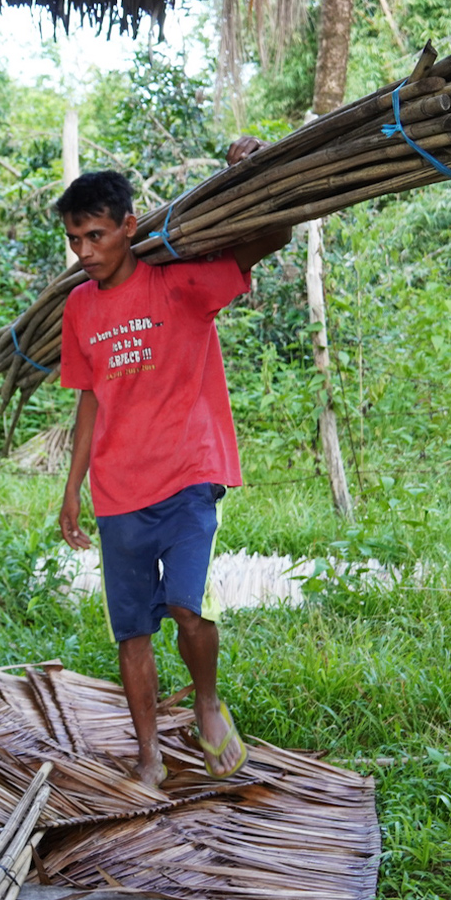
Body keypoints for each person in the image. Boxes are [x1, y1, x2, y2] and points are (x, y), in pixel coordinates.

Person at [55, 137, 290, 787]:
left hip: (189, 475)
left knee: (189, 608)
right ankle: (148, 753)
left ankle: (208, 705)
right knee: (132, 632)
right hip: (118, 491)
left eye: (96, 236)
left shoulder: (180, 282)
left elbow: (274, 237)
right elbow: (88, 403)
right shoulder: (79, 309)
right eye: (75, 239)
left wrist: (257, 171)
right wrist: (72, 490)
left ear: (130, 227)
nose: (84, 252)